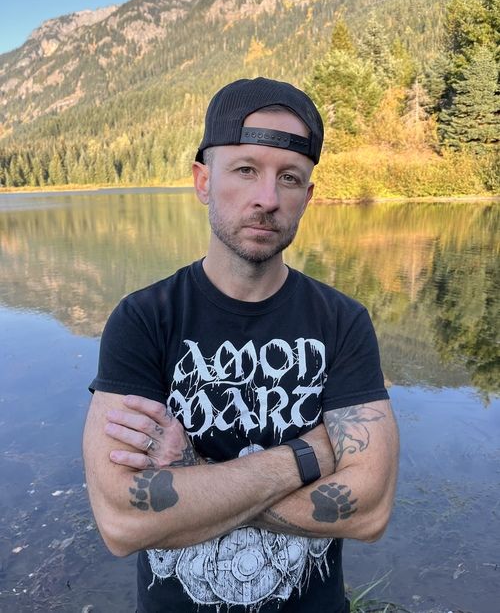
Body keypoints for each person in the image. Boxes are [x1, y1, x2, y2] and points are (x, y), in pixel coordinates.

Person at [83, 76, 399, 613]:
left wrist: (194, 479)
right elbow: (122, 522)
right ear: (203, 181)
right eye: (246, 170)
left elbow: (369, 511)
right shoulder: (144, 320)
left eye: (290, 178)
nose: (267, 199)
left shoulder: (342, 321)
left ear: (308, 197)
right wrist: (309, 455)